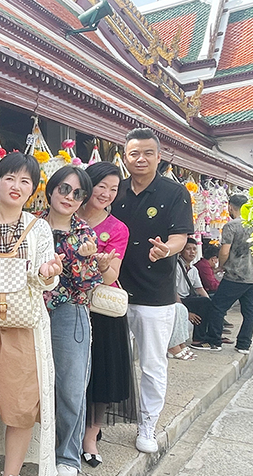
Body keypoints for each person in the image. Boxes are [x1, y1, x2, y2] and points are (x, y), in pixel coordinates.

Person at [0, 152, 63, 476]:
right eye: (9, 178)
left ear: (33, 189)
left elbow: (48, 278)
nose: (16, 186)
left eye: (25, 181)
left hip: (23, 328)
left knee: (21, 412)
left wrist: (48, 273)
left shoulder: (39, 228)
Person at [111, 128, 194, 454]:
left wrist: (166, 250)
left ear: (159, 156)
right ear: (125, 157)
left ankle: (147, 425)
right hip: (113, 292)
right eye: (134, 153)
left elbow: (180, 237)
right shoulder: (116, 191)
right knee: (112, 360)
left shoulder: (175, 193)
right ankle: (101, 422)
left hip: (154, 296)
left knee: (152, 364)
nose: (140, 159)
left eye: (147, 153)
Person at [38, 166, 102, 476]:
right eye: (64, 189)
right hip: (31, 310)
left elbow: (86, 285)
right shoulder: (31, 224)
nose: (69, 197)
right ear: (51, 189)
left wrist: (85, 259)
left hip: (69, 311)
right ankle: (37, 449)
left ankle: (67, 457)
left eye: (78, 194)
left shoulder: (85, 233)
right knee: (34, 383)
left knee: (71, 387)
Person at [78, 161, 137, 467]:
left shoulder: (117, 229)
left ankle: (91, 436)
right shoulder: (65, 215)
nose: (106, 193)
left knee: (101, 377)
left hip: (101, 310)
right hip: (66, 304)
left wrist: (102, 267)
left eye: (113, 189)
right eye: (101, 186)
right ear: (88, 184)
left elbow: (112, 274)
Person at [204, 194, 253, 355]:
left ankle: (214, 341)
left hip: (235, 275)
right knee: (250, 312)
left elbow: (225, 251)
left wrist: (221, 266)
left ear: (230, 207)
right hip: (251, 277)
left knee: (218, 307)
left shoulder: (232, 226)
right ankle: (244, 345)